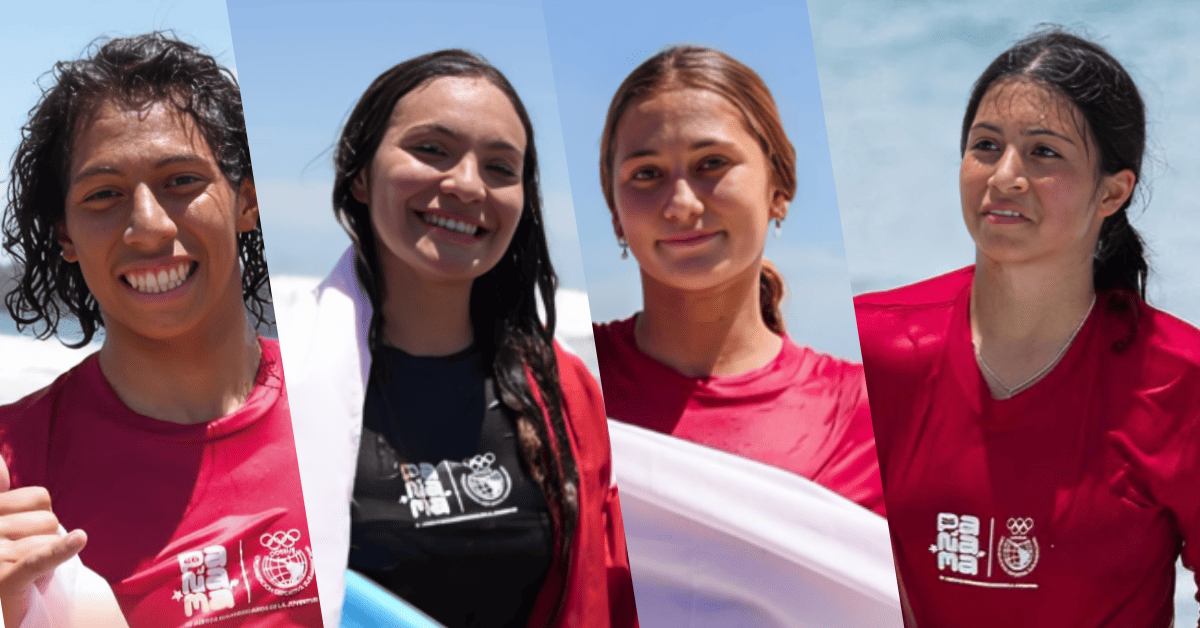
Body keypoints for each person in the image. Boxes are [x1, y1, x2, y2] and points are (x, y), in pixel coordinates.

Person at [279, 49, 638, 628]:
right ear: (359, 176)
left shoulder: (566, 394)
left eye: (500, 167)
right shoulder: (279, 389)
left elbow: (616, 590)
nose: (468, 184)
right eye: (431, 150)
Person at [854, 27, 1200, 627]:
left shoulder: (1178, 380)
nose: (1004, 176)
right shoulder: (876, 350)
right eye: (985, 146)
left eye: (1044, 152)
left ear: (1112, 192)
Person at [0, 33, 323, 627]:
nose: (147, 227)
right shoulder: (10, 471)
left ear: (248, 202)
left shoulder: (357, 408)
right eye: (104, 195)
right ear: (65, 236)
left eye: (181, 181)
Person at [591, 45, 884, 515]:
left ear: (779, 190)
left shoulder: (867, 415)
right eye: (647, 174)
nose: (681, 203)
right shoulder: (571, 383)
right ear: (615, 214)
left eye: (712, 163)